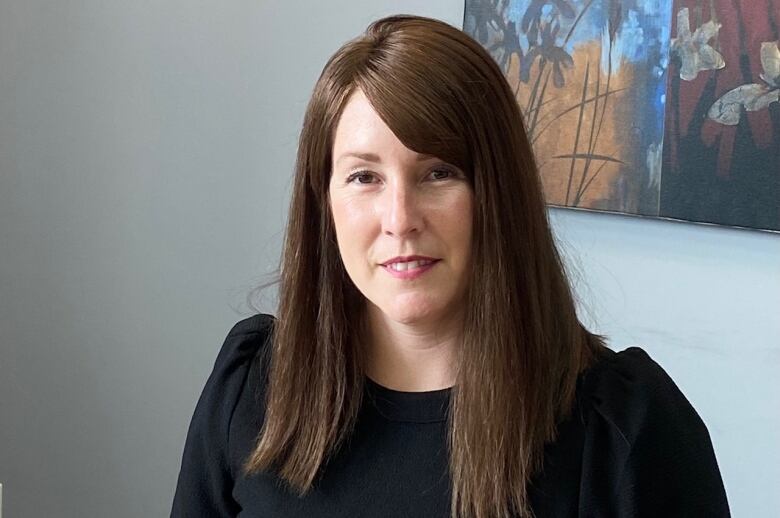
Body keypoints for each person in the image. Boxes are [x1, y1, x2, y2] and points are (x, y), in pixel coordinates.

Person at [170, 14, 730, 518]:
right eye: (364, 177)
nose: (400, 218)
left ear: (498, 193)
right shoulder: (250, 386)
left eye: (438, 172)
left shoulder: (627, 430)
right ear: (325, 202)